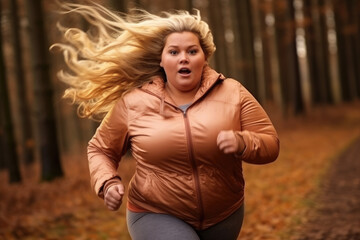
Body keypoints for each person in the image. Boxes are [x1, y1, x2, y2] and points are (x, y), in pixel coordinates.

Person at [52, 2, 280, 240]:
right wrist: (107, 182)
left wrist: (242, 142)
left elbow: (271, 144)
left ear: (205, 57)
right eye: (174, 52)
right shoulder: (134, 103)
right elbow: (100, 148)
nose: (184, 58)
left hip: (225, 213)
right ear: (161, 60)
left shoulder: (233, 92)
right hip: (155, 212)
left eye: (192, 51)